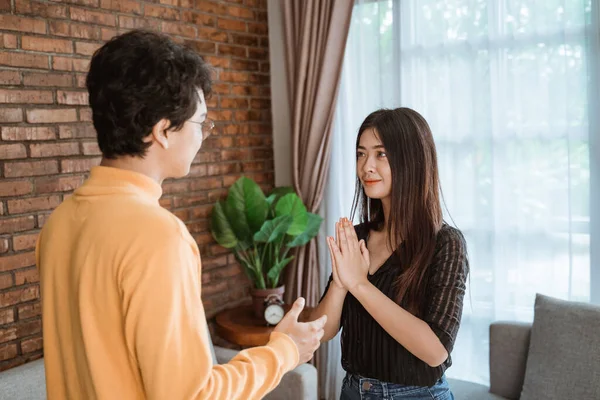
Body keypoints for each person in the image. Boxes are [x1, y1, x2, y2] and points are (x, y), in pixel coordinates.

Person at [36, 29, 326, 400]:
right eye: (200, 122)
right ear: (162, 131)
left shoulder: (59, 223)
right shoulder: (157, 237)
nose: (204, 135)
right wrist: (284, 351)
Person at [311, 108, 469, 399]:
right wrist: (340, 283)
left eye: (380, 154)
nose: (366, 166)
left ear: (412, 160)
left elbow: (435, 351)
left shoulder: (446, 244)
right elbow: (323, 331)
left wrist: (359, 284)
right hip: (352, 391)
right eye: (361, 154)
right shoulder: (357, 236)